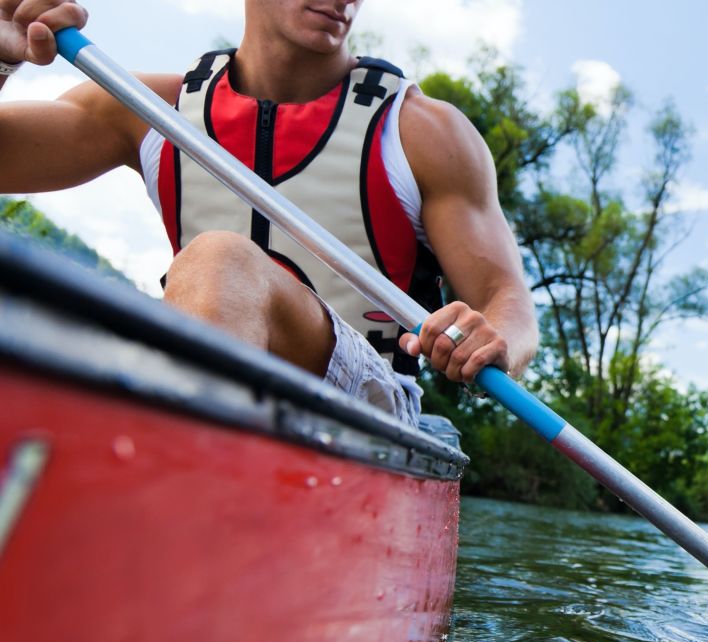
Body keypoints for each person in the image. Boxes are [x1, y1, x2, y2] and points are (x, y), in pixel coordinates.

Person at [0, 0, 538, 427]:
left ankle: (160, 488)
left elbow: (509, 301)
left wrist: (493, 337)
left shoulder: (424, 133)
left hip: (368, 404)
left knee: (218, 261)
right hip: (191, 373)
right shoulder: (144, 108)